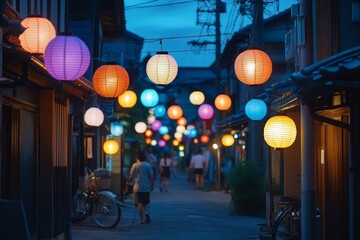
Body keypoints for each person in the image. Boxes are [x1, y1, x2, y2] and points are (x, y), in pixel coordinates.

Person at [129, 151, 154, 224]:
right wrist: (152, 185)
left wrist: (129, 180)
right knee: (146, 202)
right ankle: (146, 213)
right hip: (146, 186)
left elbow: (131, 176)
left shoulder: (135, 165)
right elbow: (151, 176)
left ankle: (140, 219)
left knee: (139, 203)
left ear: (137, 157)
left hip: (137, 187)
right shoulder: (148, 165)